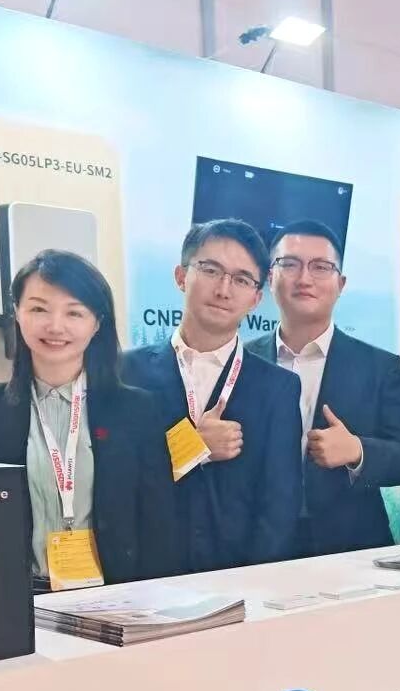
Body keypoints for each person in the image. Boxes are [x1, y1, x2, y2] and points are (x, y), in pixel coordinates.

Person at [0, 249, 180, 590]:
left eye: (74, 312)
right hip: (14, 598)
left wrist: (155, 601)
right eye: (39, 309)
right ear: (17, 313)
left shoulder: (136, 411)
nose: (55, 326)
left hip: (115, 597)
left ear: (97, 323)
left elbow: (159, 523)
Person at [121, 220, 302, 572]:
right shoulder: (126, 372)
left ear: (256, 298)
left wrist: (256, 583)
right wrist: (192, 446)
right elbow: (116, 480)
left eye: (242, 279)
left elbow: (281, 504)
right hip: (147, 578)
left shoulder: (278, 387)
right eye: (210, 270)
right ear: (180, 276)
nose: (223, 289)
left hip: (240, 579)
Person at [248, 219, 400, 555]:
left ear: (340, 284)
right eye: (290, 264)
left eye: (321, 267)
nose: (304, 278)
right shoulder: (243, 361)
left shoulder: (380, 367)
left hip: (350, 548)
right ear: (270, 277)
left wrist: (357, 450)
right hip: (258, 547)